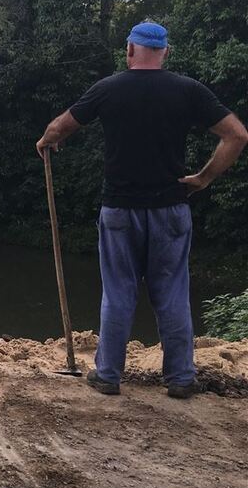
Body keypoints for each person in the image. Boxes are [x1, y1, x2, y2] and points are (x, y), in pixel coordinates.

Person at [35, 21, 248, 399]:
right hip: (171, 208)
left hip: (119, 210)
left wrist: (47, 142)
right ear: (165, 52)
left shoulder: (109, 89)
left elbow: (58, 128)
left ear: (130, 50)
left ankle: (108, 375)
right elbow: (237, 135)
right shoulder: (188, 90)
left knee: (118, 291)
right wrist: (203, 177)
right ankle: (181, 378)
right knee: (172, 293)